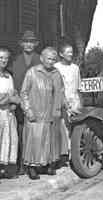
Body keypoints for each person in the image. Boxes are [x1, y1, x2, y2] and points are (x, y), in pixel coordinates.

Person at [20, 47, 64, 180]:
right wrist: (28, 110)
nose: (51, 62)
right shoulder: (32, 72)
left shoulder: (56, 73)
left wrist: (57, 109)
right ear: (42, 58)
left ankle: (48, 165)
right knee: (35, 139)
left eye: (53, 59)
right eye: (48, 58)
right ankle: (32, 167)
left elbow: (60, 92)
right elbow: (24, 93)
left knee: (49, 140)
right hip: (35, 112)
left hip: (50, 113)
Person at [11, 30, 41, 174]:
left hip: (35, 102)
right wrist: (20, 101)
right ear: (22, 44)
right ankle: (20, 164)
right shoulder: (16, 61)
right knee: (20, 133)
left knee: (34, 134)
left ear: (35, 44)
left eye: (31, 42)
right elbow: (15, 83)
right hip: (19, 103)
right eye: (26, 42)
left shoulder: (39, 60)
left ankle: (33, 165)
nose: (28, 44)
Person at [54, 43, 82, 162]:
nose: (70, 54)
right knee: (63, 128)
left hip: (74, 100)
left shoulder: (75, 68)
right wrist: (63, 102)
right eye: (68, 52)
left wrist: (80, 103)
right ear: (61, 54)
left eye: (71, 52)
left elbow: (78, 87)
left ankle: (74, 155)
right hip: (62, 102)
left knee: (74, 128)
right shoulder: (56, 67)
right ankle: (63, 155)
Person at [0, 48, 20, 178]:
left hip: (8, 113)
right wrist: (7, 98)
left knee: (9, 139)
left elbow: (13, 94)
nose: (3, 60)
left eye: (6, 58)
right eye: (1, 58)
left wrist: (13, 102)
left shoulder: (8, 76)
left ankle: (6, 169)